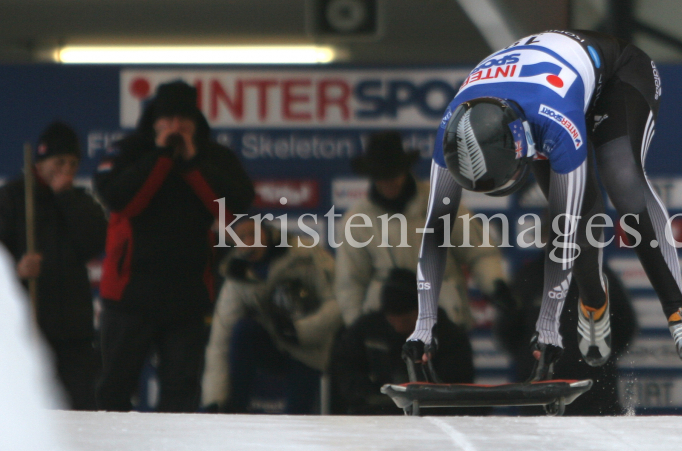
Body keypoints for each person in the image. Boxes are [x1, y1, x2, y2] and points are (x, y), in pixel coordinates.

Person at [406, 30, 682, 380]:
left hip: (616, 75)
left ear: (522, 146)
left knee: (620, 178)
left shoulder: (556, 125)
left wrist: (548, 324)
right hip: (545, 86)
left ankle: (679, 312)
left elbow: (563, 235)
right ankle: (594, 303)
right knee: (581, 219)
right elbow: (435, 233)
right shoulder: (450, 129)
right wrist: (423, 325)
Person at [94, 80, 255, 412]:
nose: (176, 127)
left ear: (196, 123)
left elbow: (234, 207)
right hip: (129, 296)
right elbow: (121, 201)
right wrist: (162, 157)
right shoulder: (129, 150)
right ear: (154, 122)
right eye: (168, 120)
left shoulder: (212, 157)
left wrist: (192, 163)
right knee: (113, 390)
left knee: (181, 395)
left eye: (184, 120)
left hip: (187, 297)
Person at [335, 130, 511, 329]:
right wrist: (359, 330)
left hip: (445, 322)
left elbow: (479, 252)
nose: (388, 182)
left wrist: (495, 285)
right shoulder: (357, 220)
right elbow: (350, 284)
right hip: (388, 328)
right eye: (380, 176)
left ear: (405, 169)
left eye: (392, 174)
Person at [0, 121, 107, 410]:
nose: (66, 170)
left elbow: (95, 241)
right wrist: (16, 271)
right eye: (59, 162)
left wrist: (65, 197)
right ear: (41, 161)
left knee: (81, 409)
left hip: (73, 331)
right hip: (29, 328)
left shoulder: (79, 201)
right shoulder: (12, 197)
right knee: (29, 409)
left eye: (73, 163)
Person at [201, 220, 343, 414]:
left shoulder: (305, 254)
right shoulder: (237, 274)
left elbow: (338, 301)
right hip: (273, 342)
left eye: (254, 234)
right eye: (242, 238)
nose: (250, 242)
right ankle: (231, 414)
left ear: (267, 233)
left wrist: (301, 331)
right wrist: (213, 400)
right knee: (243, 330)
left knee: (296, 420)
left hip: (311, 346)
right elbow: (220, 341)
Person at [495, 251, 637, 415]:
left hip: (594, 392)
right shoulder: (529, 276)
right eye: (551, 232)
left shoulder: (598, 274)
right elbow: (508, 330)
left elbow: (625, 325)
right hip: (539, 394)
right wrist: (531, 360)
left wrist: (598, 357)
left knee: (598, 439)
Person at [330, 268, 475, 414]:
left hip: (432, 415)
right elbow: (344, 367)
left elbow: (459, 388)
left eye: (406, 321)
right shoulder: (368, 331)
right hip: (375, 413)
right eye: (392, 320)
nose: (399, 327)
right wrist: (366, 393)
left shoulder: (447, 337)